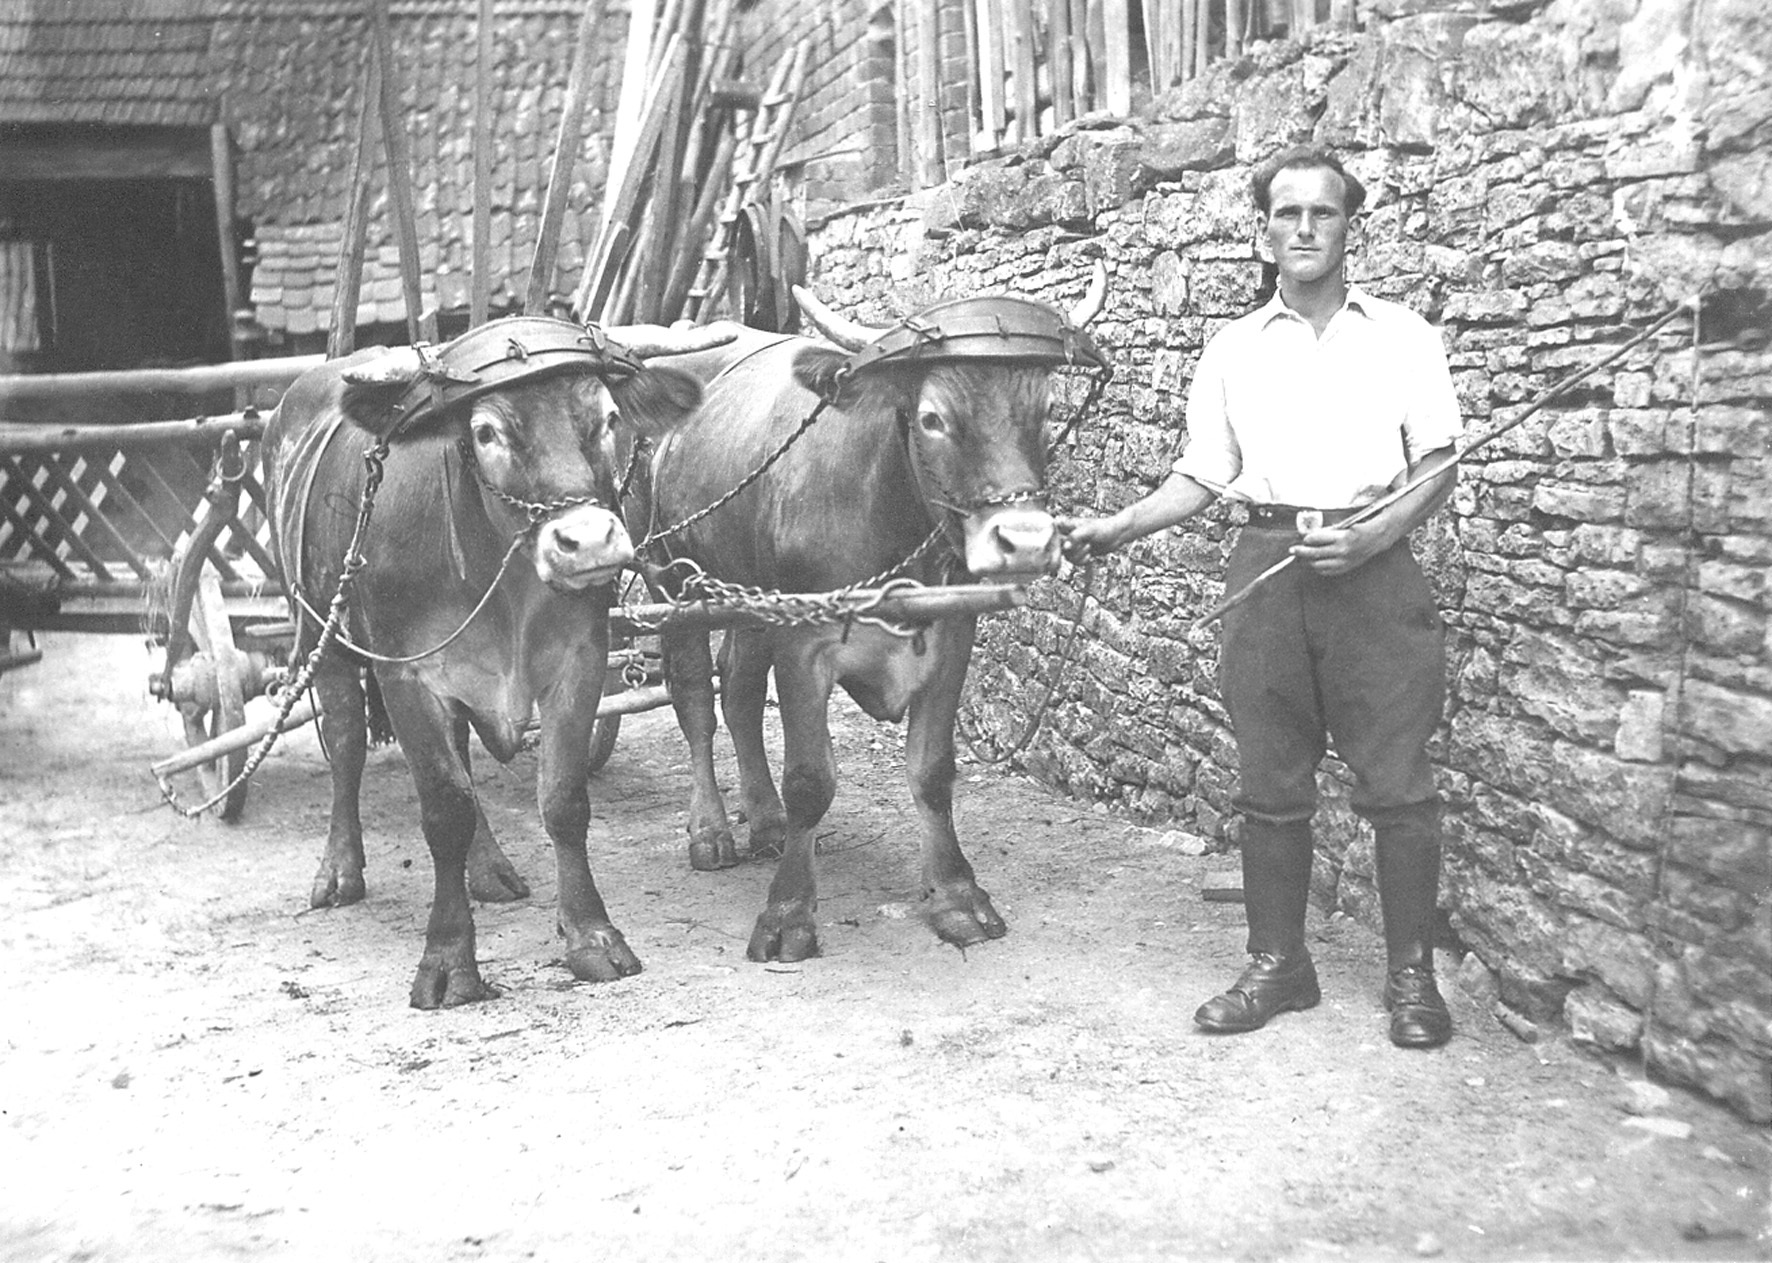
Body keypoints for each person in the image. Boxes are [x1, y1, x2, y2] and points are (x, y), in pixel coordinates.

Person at [1058, 145, 1463, 1049]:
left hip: (1375, 569)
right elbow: (1205, 470)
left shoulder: (1404, 335)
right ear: (1264, 231)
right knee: (1269, 778)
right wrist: (1118, 526)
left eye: (1324, 213)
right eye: (1289, 214)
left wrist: (1374, 535)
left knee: (1398, 783)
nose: (1306, 228)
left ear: (1349, 226)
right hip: (1269, 568)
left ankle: (1412, 977)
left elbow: (1438, 457)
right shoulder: (1235, 347)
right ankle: (1281, 963)